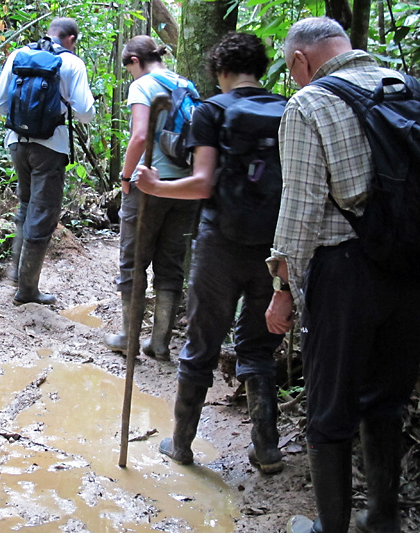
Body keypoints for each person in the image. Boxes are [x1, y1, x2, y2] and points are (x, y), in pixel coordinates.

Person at [266, 17, 420, 533]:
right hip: (408, 270)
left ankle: (329, 527)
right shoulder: (405, 88)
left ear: (299, 61)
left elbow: (302, 208)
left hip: (344, 272)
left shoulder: (310, 104)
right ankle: (382, 519)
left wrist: (283, 289)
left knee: (329, 409)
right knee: (387, 401)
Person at [136, 32, 285, 473]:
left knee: (201, 345)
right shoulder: (286, 109)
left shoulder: (212, 111)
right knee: (258, 349)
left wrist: (156, 186)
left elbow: (202, 182)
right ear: (261, 68)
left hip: (220, 244)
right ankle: (268, 448)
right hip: (273, 250)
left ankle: (182, 444)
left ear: (220, 71)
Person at [103, 35, 199, 360]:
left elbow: (140, 135)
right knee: (170, 264)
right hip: (185, 188)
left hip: (149, 185)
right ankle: (159, 344)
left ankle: (129, 338)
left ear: (133, 60)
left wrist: (126, 177)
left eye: (127, 67)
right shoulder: (187, 85)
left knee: (133, 262)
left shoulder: (142, 84)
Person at [0, 17, 95, 305]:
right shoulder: (72, 63)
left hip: (16, 143)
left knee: (26, 206)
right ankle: (27, 291)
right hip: (50, 147)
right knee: (43, 213)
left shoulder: (18, 54)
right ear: (71, 39)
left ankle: (18, 273)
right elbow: (86, 112)